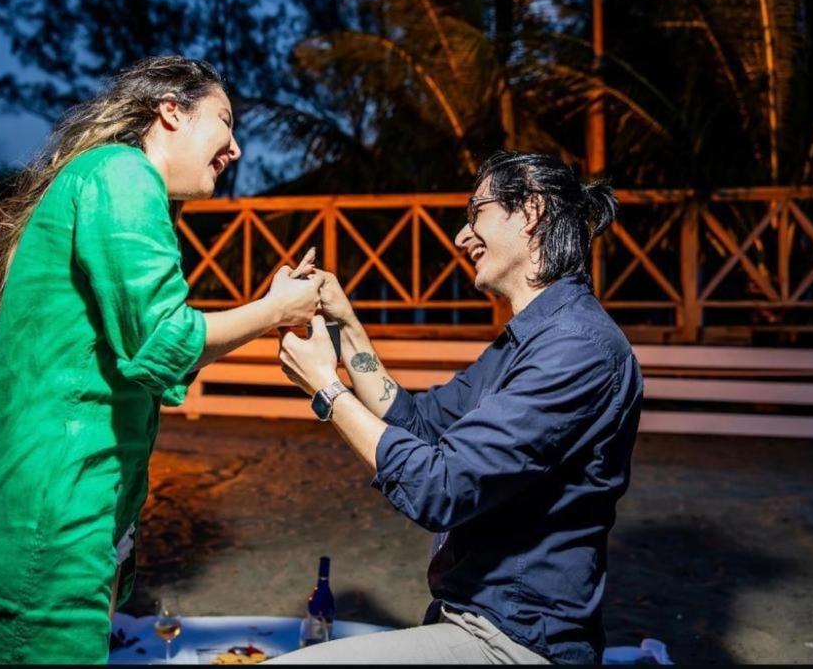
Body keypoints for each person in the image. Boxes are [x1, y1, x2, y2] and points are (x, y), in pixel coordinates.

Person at [0, 56, 324, 664]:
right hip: (43, 515)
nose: (236, 148)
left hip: (2, 509)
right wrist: (275, 310)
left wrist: (265, 308)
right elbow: (163, 341)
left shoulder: (98, 177)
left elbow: (146, 362)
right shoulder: (124, 173)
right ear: (172, 110)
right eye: (224, 121)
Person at [274, 151, 644, 664]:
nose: (461, 236)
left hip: (516, 644)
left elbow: (440, 487)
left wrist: (325, 390)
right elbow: (418, 424)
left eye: (477, 212)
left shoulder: (578, 348)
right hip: (471, 621)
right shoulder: (525, 343)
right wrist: (345, 325)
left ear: (531, 211)